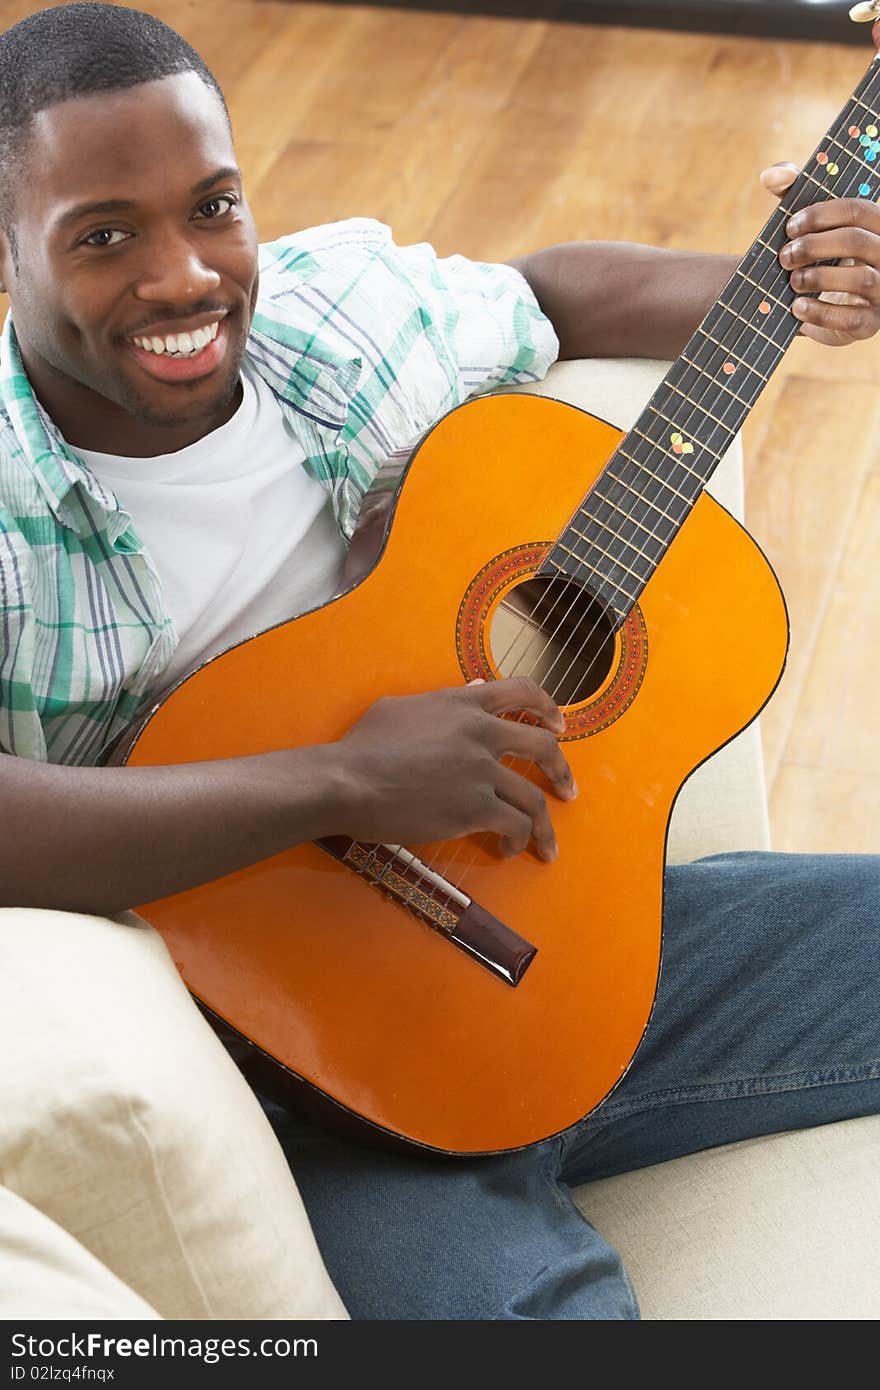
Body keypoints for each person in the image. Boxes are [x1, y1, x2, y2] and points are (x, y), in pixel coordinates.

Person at [0, 2, 878, 1321]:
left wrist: (789, 288)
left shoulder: (329, 316)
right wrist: (344, 779)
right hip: (315, 1072)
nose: (184, 276)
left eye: (214, 207)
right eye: (104, 235)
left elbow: (550, 289)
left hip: (567, 952)